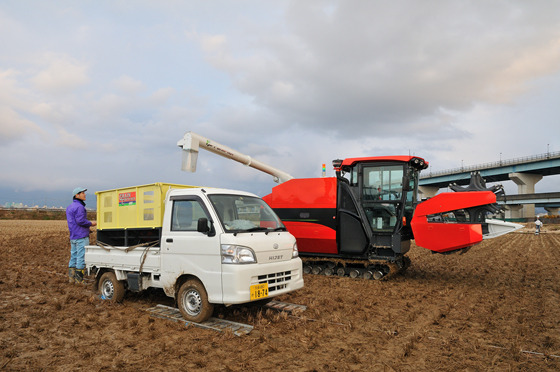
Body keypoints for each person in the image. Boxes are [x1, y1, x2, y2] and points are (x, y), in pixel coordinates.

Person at [66, 187, 96, 284]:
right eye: (82, 193)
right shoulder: (80, 207)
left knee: (73, 256)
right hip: (81, 237)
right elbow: (80, 221)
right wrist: (91, 223)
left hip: (73, 236)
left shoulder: (69, 207)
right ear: (77, 195)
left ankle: (71, 279)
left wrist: (87, 229)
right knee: (81, 258)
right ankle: (79, 281)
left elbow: (74, 222)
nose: (85, 194)